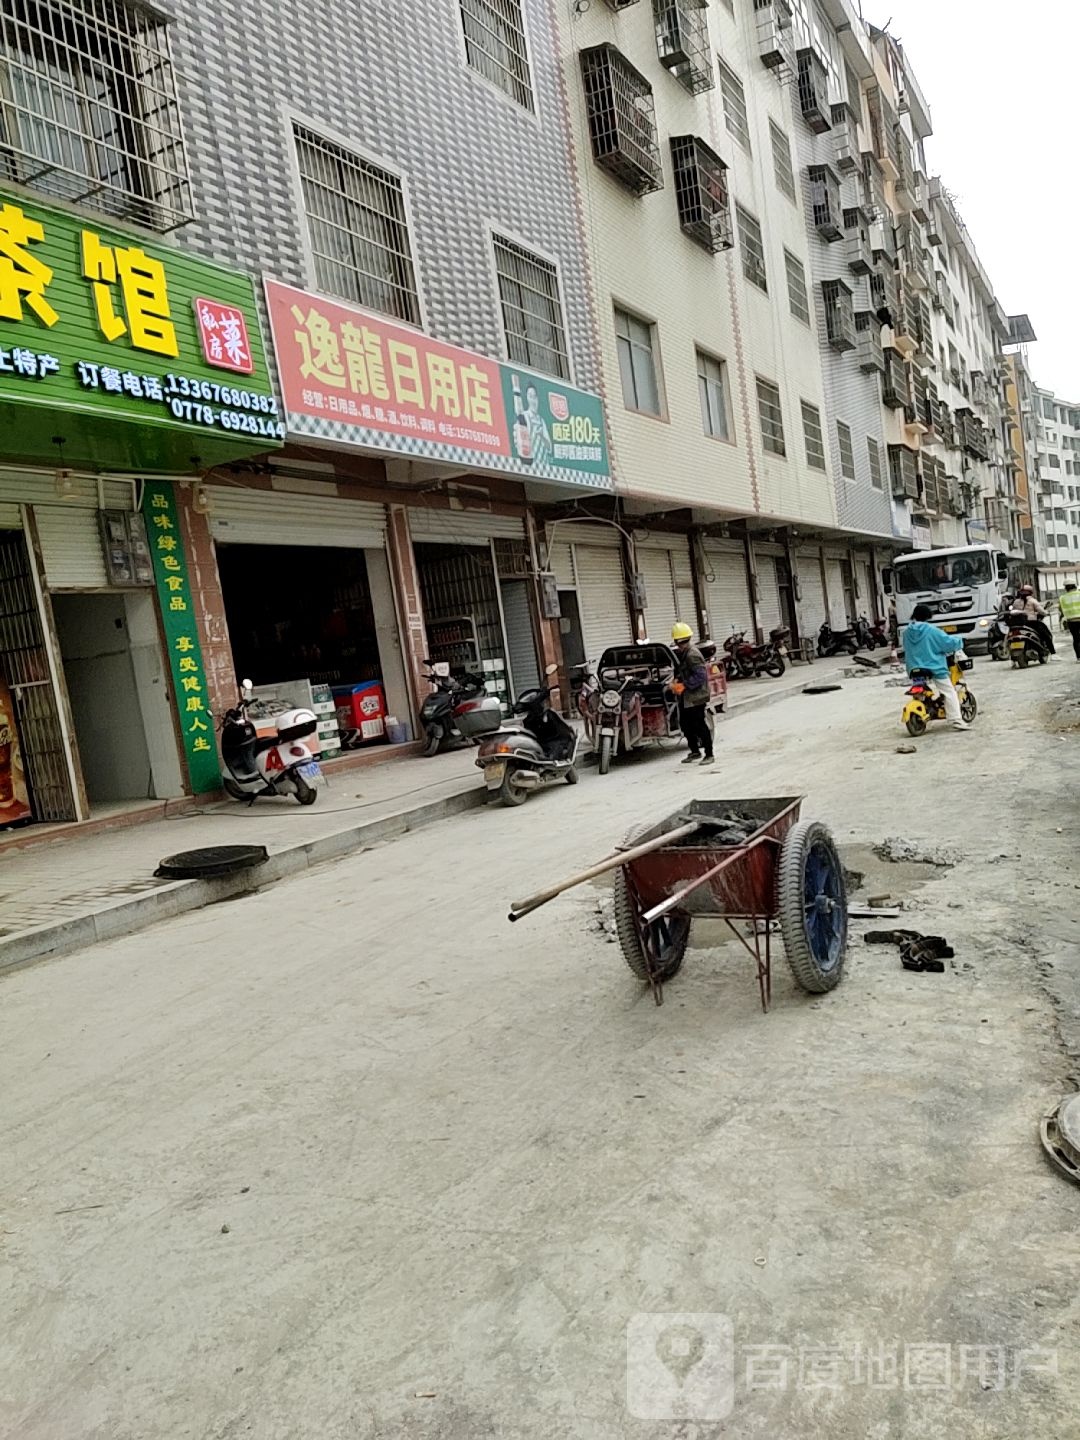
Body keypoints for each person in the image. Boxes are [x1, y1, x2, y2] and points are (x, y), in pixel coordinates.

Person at [903, 604, 968, 731]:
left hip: (913, 668)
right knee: (948, 691)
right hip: (933, 667)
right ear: (928, 616)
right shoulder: (931, 630)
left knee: (920, 689)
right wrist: (960, 641)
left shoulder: (906, 632)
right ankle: (956, 719)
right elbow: (947, 643)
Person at [670, 622, 714, 766]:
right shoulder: (684, 653)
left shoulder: (692, 654)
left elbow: (700, 676)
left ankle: (709, 754)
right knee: (686, 725)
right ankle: (695, 751)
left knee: (699, 725)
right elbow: (683, 671)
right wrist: (677, 679)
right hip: (687, 697)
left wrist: (683, 686)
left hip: (696, 697)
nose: (679, 644)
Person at [1016, 585, 1056, 657]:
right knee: (1047, 636)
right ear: (1031, 592)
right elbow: (1041, 611)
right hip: (1032, 623)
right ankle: (1053, 653)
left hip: (1019, 624)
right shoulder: (1032, 601)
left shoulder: (1016, 602)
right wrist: (1046, 613)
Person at [1059, 583, 1080, 660]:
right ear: (1075, 586)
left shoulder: (1063, 598)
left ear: (1066, 589)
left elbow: (1060, 609)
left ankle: (1079, 657)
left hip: (1071, 621)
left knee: (1076, 639)